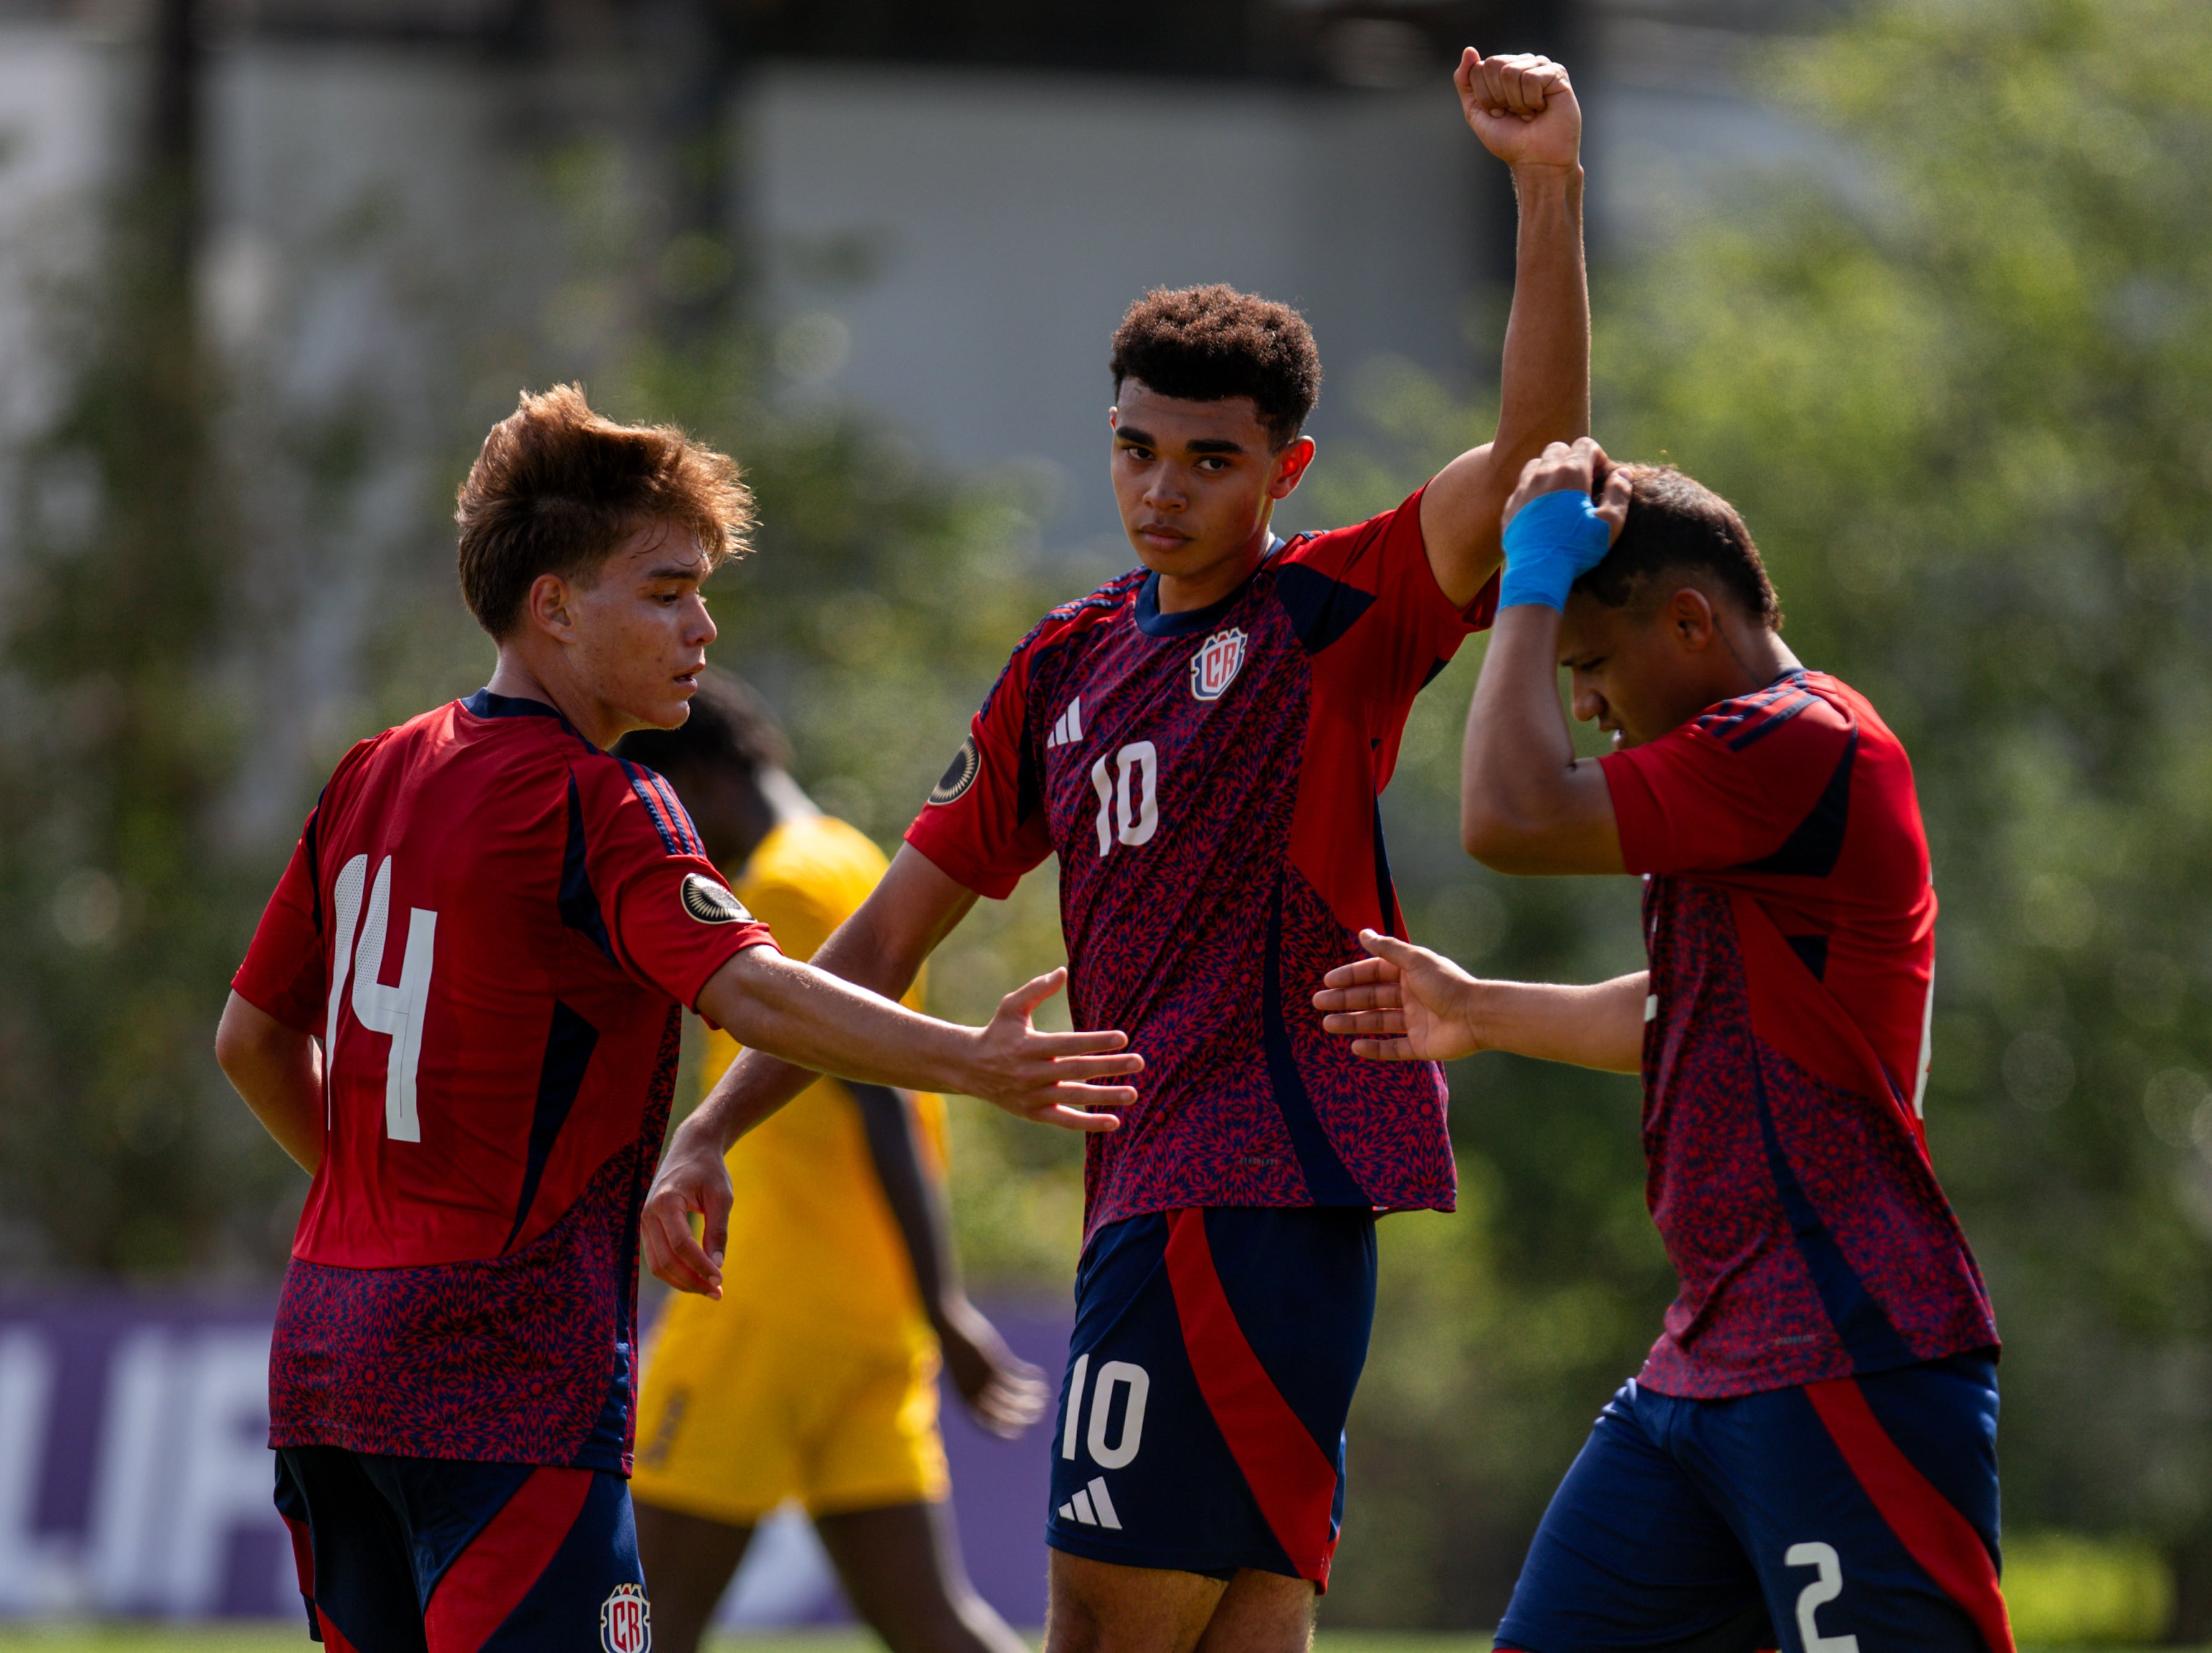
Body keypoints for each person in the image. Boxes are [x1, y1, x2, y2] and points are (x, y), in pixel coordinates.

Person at [641, 47, 1591, 1653]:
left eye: (1211, 460)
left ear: (1284, 472)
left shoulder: (1337, 617)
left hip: (1251, 1191)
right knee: (1240, 1641)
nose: (1164, 488)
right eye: (1139, 448)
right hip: (1153, 1203)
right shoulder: (1061, 669)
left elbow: (1543, 465)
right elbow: (879, 942)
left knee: (1098, 1633)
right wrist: (710, 1132)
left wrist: (1548, 187)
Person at [213, 386, 1140, 1653]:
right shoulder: (604, 800)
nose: (703, 626)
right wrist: (973, 1063)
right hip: (504, 1373)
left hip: (327, 1354)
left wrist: (382, 1196)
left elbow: (251, 1040)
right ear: (552, 605)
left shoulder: (372, 770)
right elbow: (750, 986)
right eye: (663, 591)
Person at [1315, 439, 2014, 1652]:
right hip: (1707, 1361)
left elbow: (1508, 812)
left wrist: (1527, 575)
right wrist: (1478, 1009)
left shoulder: (1801, 741)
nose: (1581, 702)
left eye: (1588, 663)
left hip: (1845, 1353)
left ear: (1689, 621)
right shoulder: (1756, 770)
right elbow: (1693, 1007)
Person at [612, 673, 1032, 1653]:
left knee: (644, 1619)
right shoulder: (846, 856)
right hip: (865, 1315)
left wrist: (947, 1306)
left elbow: (874, 1099)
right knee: (929, 1624)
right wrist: (929, 1305)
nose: (672, 850)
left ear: (710, 781)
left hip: (764, 1305)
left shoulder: (783, 890)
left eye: (666, 815)